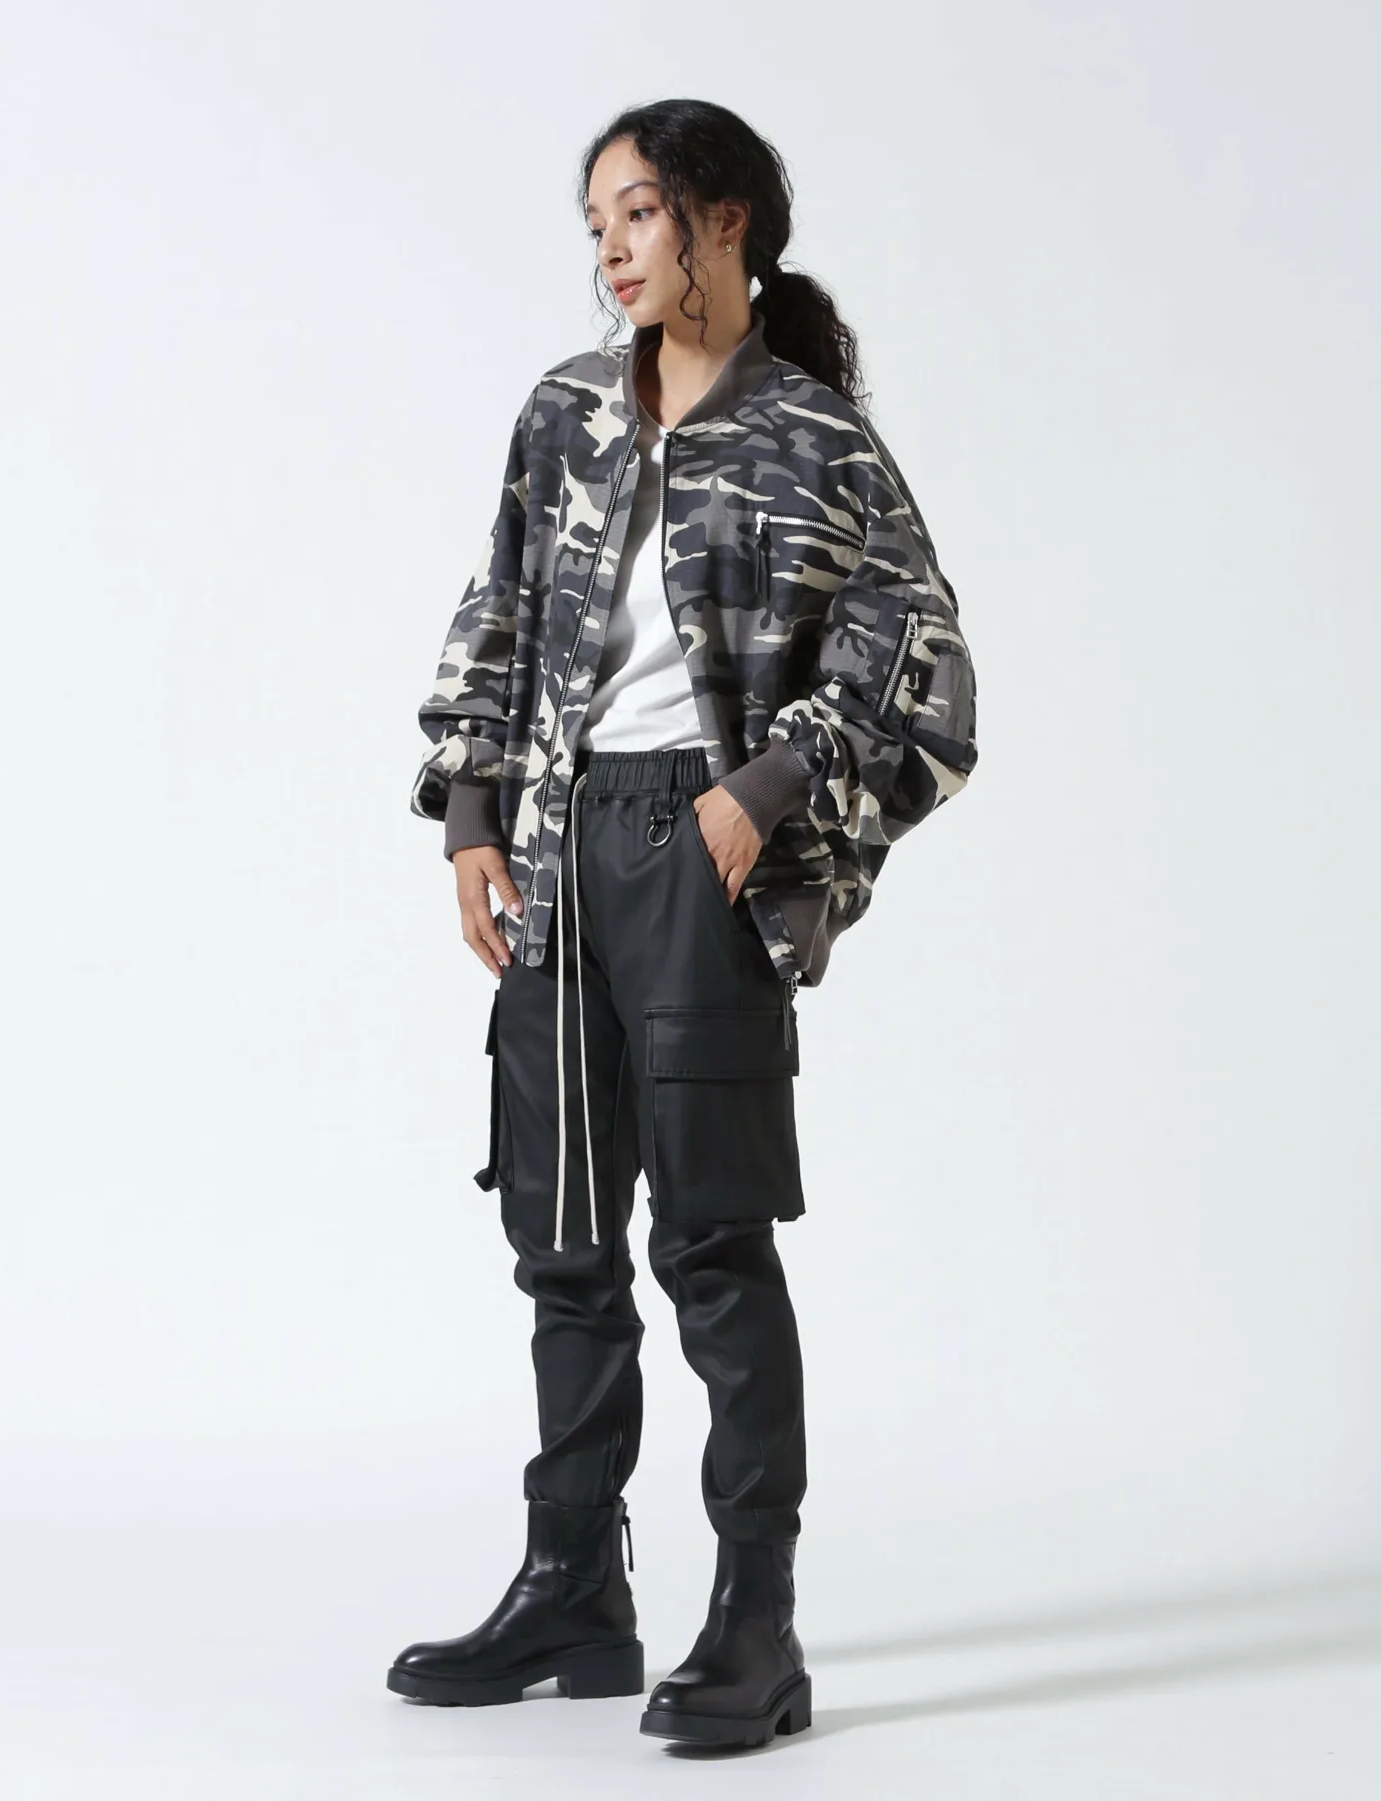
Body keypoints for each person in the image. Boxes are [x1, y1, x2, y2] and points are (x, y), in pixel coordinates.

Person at [386, 97, 979, 1750]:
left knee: (711, 1246)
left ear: (727, 222)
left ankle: (755, 1628)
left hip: (696, 855)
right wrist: (474, 815)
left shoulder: (813, 440)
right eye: (597, 225)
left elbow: (928, 672)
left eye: (638, 214)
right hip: (560, 854)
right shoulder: (566, 415)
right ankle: (573, 1589)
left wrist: (764, 792)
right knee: (562, 1241)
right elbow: (501, 608)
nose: (612, 252)